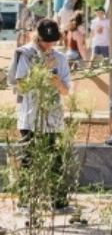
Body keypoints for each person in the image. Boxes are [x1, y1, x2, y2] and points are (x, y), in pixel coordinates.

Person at [11, 18, 73, 212]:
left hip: (52, 116)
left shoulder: (61, 58)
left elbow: (65, 91)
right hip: (30, 115)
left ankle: (58, 202)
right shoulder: (26, 54)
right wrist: (41, 70)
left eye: (52, 41)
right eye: (45, 41)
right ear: (37, 37)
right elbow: (21, 85)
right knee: (28, 158)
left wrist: (56, 82)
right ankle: (25, 202)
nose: (48, 45)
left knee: (56, 159)